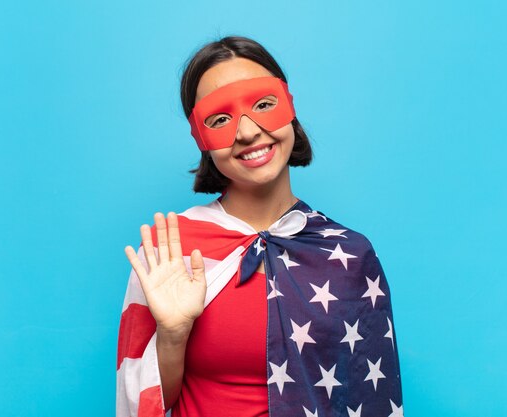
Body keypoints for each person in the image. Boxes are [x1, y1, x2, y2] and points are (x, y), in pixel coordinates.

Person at [116, 36, 404, 417]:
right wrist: (172, 334)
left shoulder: (349, 255)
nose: (248, 132)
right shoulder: (172, 250)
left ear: (289, 107)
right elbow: (144, 400)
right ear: (201, 139)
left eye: (263, 105)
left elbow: (369, 398)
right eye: (220, 119)